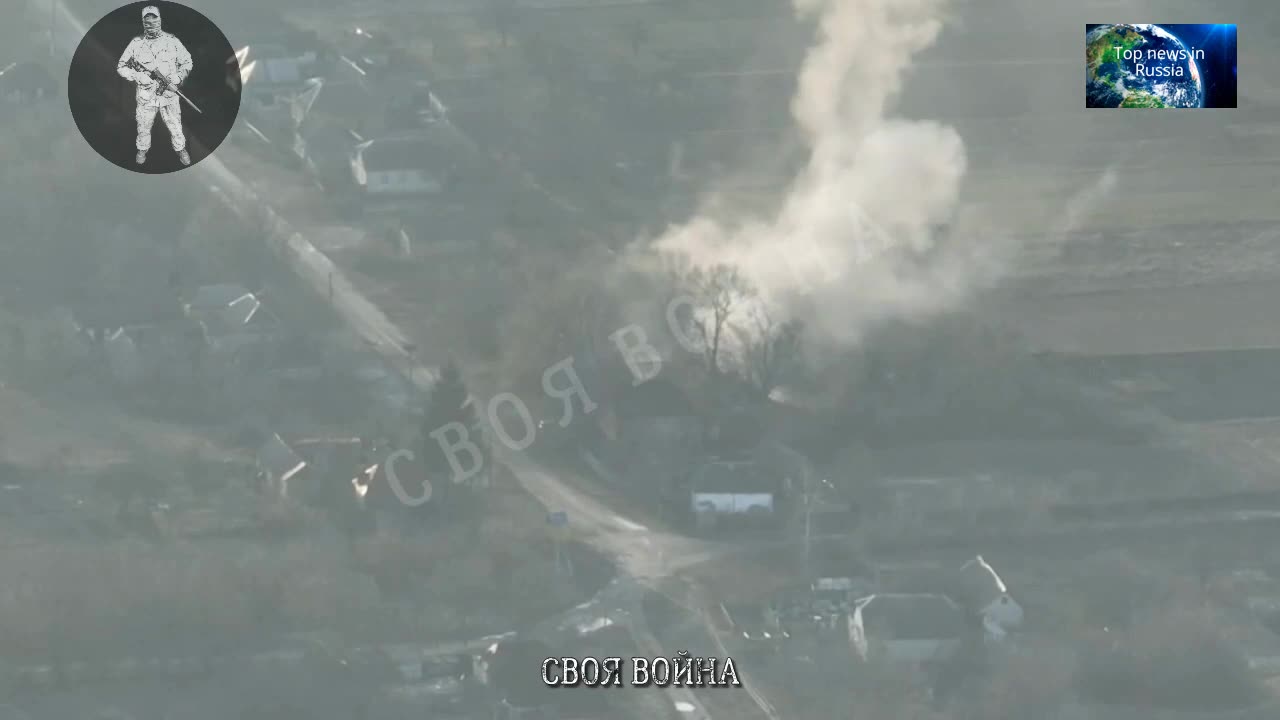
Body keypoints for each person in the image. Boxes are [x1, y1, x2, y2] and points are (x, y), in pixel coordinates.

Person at [116, 6, 193, 166]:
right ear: (143, 22)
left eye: (154, 19)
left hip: (169, 96)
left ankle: (181, 149)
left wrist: (178, 77)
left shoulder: (172, 42)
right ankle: (142, 149)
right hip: (146, 96)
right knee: (143, 125)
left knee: (175, 126)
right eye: (147, 20)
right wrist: (138, 76)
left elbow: (187, 61)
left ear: (160, 19)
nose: (151, 23)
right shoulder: (136, 44)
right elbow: (121, 66)